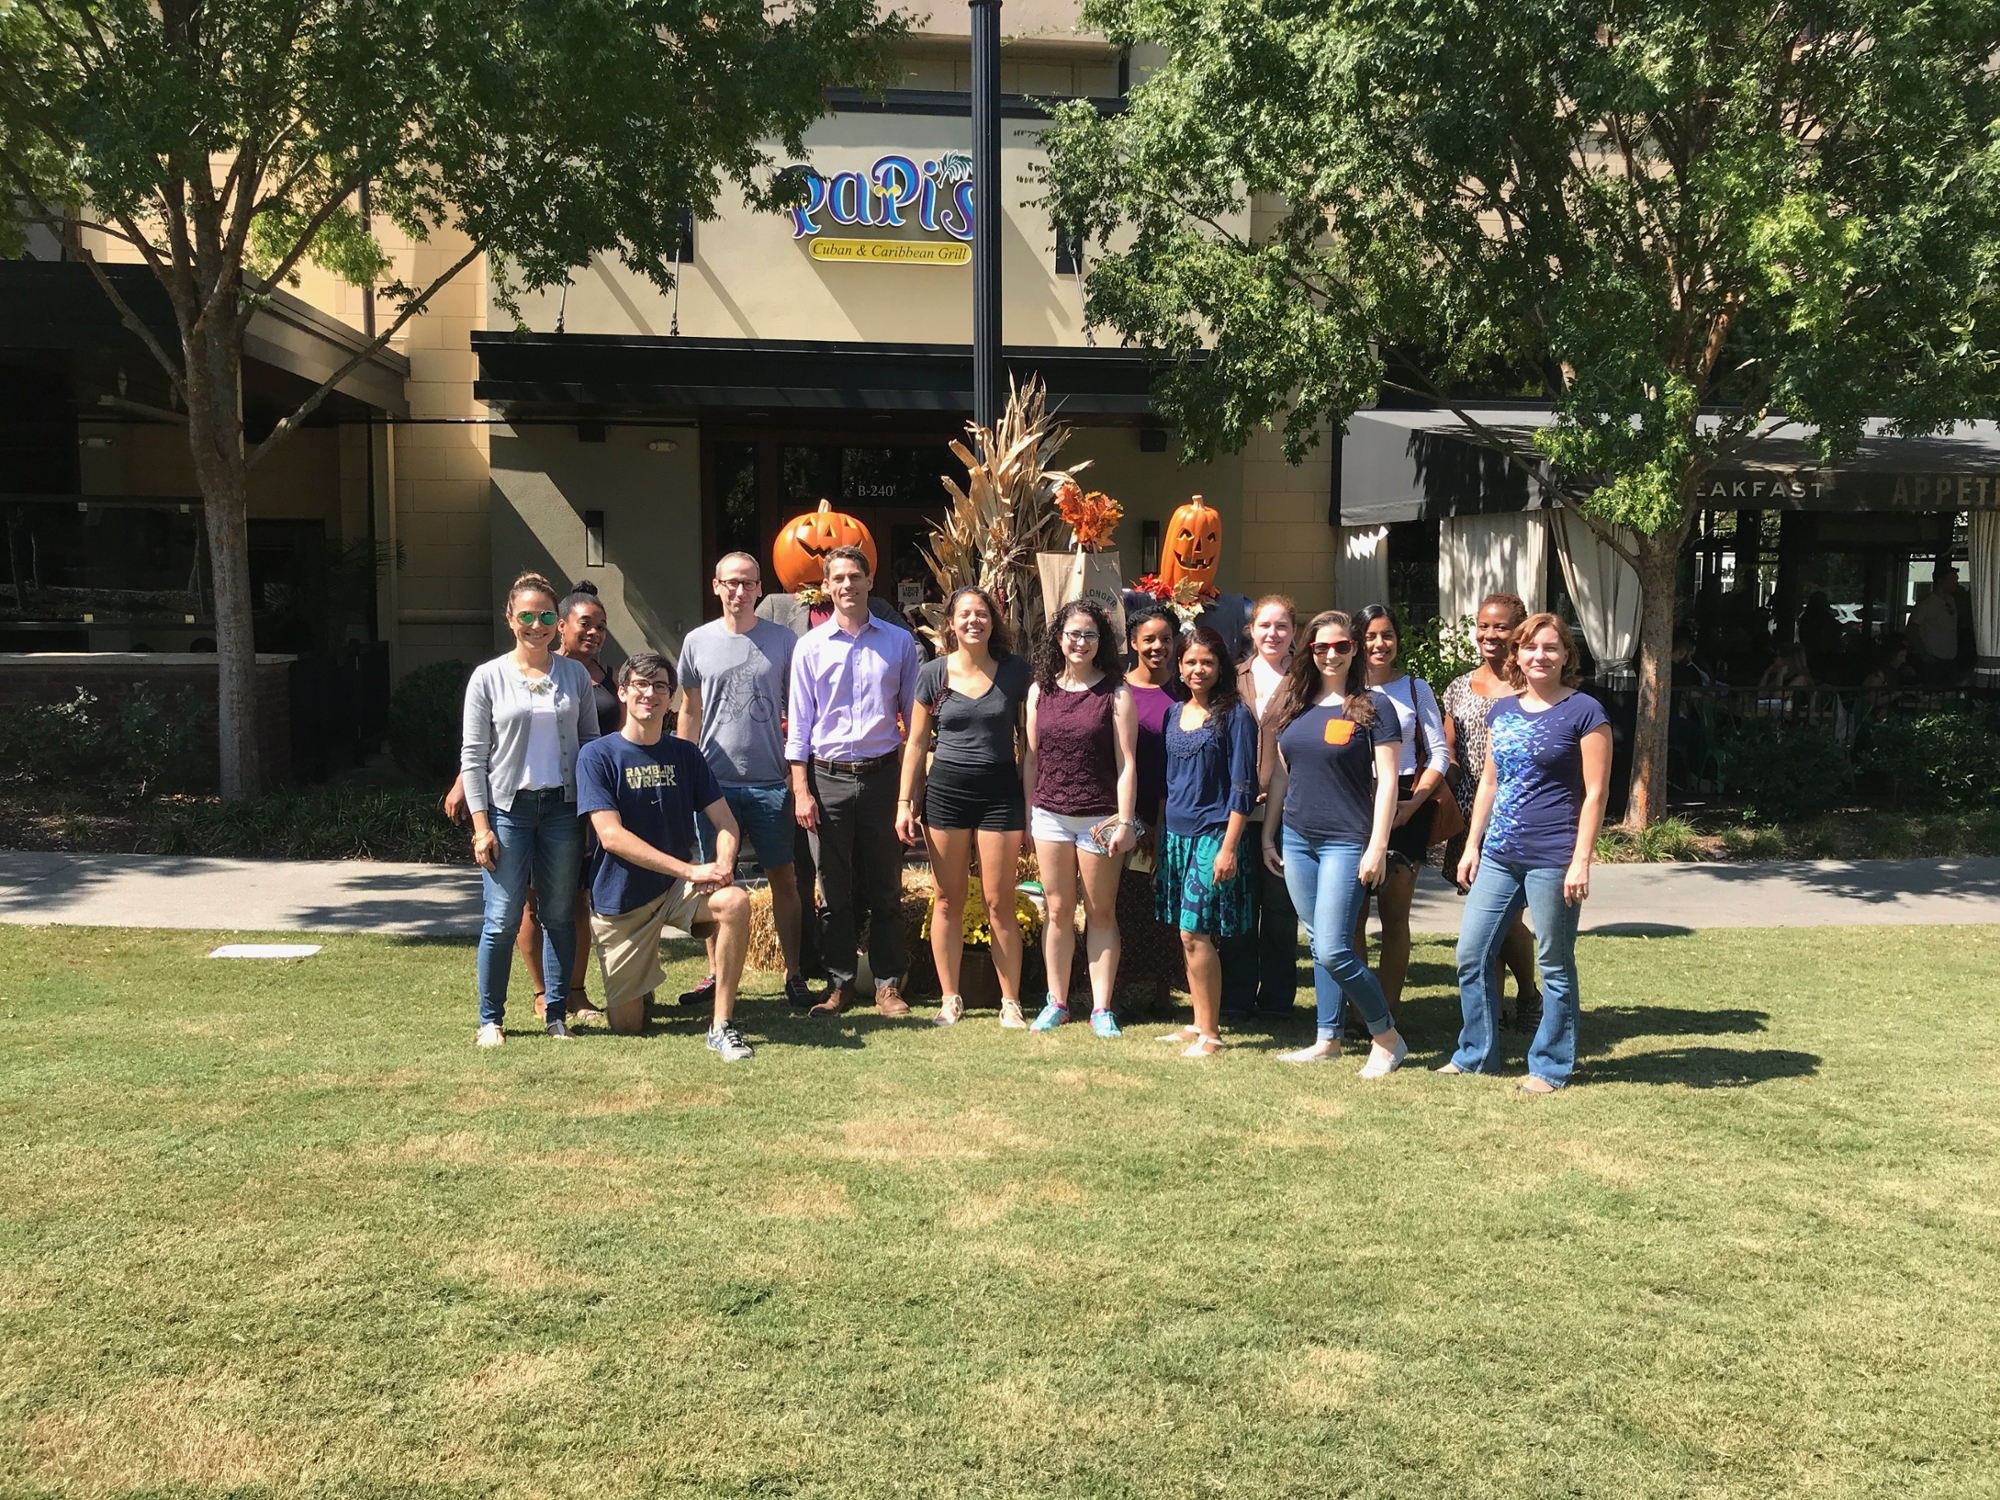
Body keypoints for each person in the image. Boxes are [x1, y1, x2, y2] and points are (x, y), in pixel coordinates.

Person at [1448, 613, 1612, 1091]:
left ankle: (1549, 1066)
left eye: (1551, 648)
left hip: (1554, 855)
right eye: (1531, 648)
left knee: (1555, 964)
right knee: (1471, 953)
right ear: (1517, 654)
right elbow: (1490, 784)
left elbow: (1596, 793)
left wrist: (1581, 858)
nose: (1540, 656)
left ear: (1566, 656)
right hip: (1499, 852)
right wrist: (1471, 845)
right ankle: (1476, 1054)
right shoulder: (1503, 710)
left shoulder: (1585, 712)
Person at [445, 580, 616, 1023]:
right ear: (510, 619)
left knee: (559, 914)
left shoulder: (574, 675)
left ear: (555, 623)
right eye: (526, 616)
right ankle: (490, 1019)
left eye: (544, 617)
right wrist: (482, 828)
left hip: (561, 809)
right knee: (502, 919)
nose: (535, 625)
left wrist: (590, 814)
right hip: (508, 811)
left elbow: (590, 745)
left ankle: (557, 1014)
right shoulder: (488, 676)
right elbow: (473, 756)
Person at [577, 653, 755, 1060]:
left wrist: (723, 867)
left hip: (677, 889)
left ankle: (721, 1024)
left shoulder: (686, 755)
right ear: (622, 692)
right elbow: (611, 837)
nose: (649, 693)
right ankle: (642, 984)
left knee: (735, 902)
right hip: (621, 899)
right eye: (640, 684)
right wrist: (691, 868)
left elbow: (726, 822)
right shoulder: (598, 756)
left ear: (671, 699)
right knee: (628, 1027)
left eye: (660, 686)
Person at [1262, 610, 1409, 1075]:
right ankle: (1328, 1038)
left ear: (1355, 650)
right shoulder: (1296, 705)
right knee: (1320, 941)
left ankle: (1386, 1037)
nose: (1331, 654)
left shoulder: (1374, 706)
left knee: (1333, 948)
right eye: (1321, 647)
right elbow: (1284, 775)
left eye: (1341, 646)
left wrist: (1377, 846)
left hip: (1347, 841)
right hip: (1297, 837)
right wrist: (1269, 834)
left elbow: (1387, 782)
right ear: (1308, 651)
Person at [759, 562, 914, 987]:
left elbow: (914, 724)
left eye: (855, 577)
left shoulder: (900, 643)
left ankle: (888, 985)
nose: (848, 585)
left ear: (869, 582)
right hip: (827, 779)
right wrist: (801, 789)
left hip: (883, 776)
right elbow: (800, 725)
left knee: (886, 889)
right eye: (839, 578)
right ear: (825, 586)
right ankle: (839, 983)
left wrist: (909, 790)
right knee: (832, 891)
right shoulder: (808, 647)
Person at [676, 552, 810, 1010]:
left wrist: (798, 776)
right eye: (731, 583)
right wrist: (683, 771)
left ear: (759, 589)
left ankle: (794, 973)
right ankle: (714, 973)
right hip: (713, 786)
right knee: (715, 883)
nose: (740, 591)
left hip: (771, 781)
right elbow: (690, 711)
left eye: (749, 583)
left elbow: (801, 708)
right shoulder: (697, 642)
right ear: (716, 586)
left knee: (784, 880)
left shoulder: (784, 641)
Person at [896, 586, 1032, 1027]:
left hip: (1000, 797)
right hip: (946, 796)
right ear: (950, 624)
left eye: (982, 614)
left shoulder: (1015, 673)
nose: (974, 620)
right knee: (947, 900)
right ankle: (949, 997)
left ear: (993, 621)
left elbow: (1030, 746)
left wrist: (1030, 807)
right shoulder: (933, 674)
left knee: (999, 902)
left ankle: (1009, 1001)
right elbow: (916, 742)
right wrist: (905, 802)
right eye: (964, 614)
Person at [1023, 599, 1139, 1034]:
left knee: (1100, 912)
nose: (1081, 642)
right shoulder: (1040, 691)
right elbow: (1032, 760)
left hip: (1099, 818)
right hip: (1049, 814)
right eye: (1073, 633)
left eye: (1090, 635)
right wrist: (1028, 812)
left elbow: (1127, 763)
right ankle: (1057, 1001)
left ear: (1100, 642)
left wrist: (1124, 821)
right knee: (1056, 910)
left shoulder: (1116, 692)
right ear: (1059, 638)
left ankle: (1101, 1008)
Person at [1151, 626, 1257, 1057]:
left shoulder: (1236, 715)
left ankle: (1211, 1034)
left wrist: (1230, 846)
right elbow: (1168, 782)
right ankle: (1197, 1023)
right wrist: (1158, 835)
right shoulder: (1172, 713)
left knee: (1197, 933)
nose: (1198, 669)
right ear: (1179, 666)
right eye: (1191, 661)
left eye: (1207, 662)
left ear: (1221, 668)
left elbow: (1243, 786)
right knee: (1185, 935)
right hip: (1175, 835)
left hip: (1215, 834)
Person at [1440, 592, 1543, 1031]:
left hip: (1517, 812)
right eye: (1483, 626)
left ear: (1518, 631)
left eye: (1501, 626)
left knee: (1502, 916)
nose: (1490, 634)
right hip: (1469, 816)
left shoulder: (1532, 684)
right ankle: (1496, 1009)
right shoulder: (1459, 686)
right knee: (1487, 917)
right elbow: (1448, 748)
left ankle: (1526, 995)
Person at [1349, 604, 1449, 1013]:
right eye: (1370, 636)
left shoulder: (1414, 688)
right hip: (1352, 799)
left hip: (1405, 800)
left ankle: (1385, 1011)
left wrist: (1413, 803)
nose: (1379, 644)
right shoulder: (1341, 687)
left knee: (1394, 917)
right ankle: (1358, 1011)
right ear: (1355, 641)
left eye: (1387, 635)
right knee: (1351, 918)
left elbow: (1439, 753)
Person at [1221, 595, 1301, 1023]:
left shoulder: (1307, 681)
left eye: (1282, 626)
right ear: (1251, 631)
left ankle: (1275, 1000)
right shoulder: (1232, 679)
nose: (1273, 634)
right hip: (1236, 810)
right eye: (1264, 625)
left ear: (1294, 633)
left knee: (1279, 911)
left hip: (1289, 811)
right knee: (1238, 905)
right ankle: (1234, 997)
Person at [1117, 605, 1189, 1008]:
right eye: (1149, 639)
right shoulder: (1117, 689)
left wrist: (1161, 825)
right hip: (1125, 811)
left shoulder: (1185, 691)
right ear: (1133, 643)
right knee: (1125, 901)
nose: (1158, 646)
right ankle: (1122, 987)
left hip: (1174, 811)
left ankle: (1165, 990)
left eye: (1165, 638)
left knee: (1166, 901)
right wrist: (1132, 820)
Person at [1909, 564, 1965, 683]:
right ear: (1941, 581)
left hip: (1950, 658)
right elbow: (1912, 628)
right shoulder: (1927, 604)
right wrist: (1924, 653)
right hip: (1933, 659)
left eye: (1956, 579)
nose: (1956, 582)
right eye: (1953, 579)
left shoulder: (1951, 601)